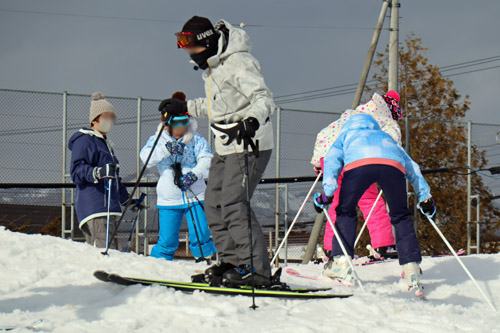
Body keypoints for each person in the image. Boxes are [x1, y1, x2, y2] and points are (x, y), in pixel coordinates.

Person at [167, 16, 275, 286]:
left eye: (188, 43)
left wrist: (252, 120)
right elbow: (219, 107)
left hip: (250, 142)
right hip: (225, 146)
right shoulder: (213, 69)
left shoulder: (240, 62)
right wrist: (185, 108)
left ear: (206, 41)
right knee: (213, 204)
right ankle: (232, 262)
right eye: (181, 43)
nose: (186, 50)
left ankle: (256, 269)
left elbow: (263, 98)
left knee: (233, 203)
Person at [313, 106, 435, 292]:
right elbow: (412, 167)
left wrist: (326, 194)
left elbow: (331, 163)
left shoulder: (344, 136)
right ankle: (411, 268)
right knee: (400, 215)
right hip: (392, 166)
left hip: (359, 165)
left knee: (345, 211)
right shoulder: (386, 137)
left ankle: (341, 263)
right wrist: (425, 197)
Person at [312, 91, 404, 260]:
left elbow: (323, 135)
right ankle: (383, 244)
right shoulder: (383, 119)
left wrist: (318, 162)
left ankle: (332, 248)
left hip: (331, 157)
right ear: (393, 110)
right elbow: (392, 139)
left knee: (337, 204)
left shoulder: (351, 115)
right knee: (369, 200)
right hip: (356, 156)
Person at [140, 92, 216, 261]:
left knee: (201, 232)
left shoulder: (196, 140)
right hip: (169, 197)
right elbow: (145, 157)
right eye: (178, 123)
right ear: (167, 124)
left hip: (195, 194)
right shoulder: (158, 140)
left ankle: (205, 261)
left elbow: (207, 161)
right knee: (167, 238)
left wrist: (194, 175)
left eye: (185, 122)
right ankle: (158, 264)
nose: (182, 127)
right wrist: (166, 149)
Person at [68, 92, 130, 248]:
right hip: (96, 206)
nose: (111, 121)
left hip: (109, 206)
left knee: (109, 250)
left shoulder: (105, 144)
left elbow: (113, 176)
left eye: (112, 118)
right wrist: (97, 172)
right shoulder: (84, 140)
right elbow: (76, 171)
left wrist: (126, 199)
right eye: (108, 116)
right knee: (103, 251)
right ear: (95, 119)